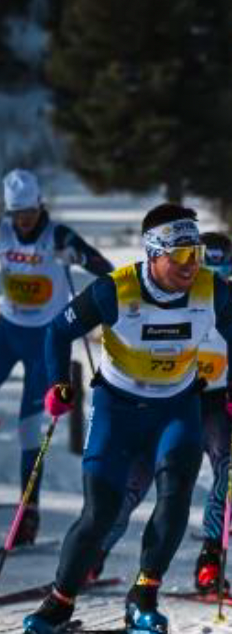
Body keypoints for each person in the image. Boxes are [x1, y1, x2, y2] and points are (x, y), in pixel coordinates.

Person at [23, 205, 232, 634]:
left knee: (175, 497)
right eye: (180, 255)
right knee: (100, 512)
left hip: (176, 408)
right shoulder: (115, 290)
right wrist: (58, 384)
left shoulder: (212, 290)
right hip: (117, 409)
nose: (191, 265)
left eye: (196, 253)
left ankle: (144, 596)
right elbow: (57, 332)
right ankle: (59, 601)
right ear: (153, 253)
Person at [94, 233, 232, 595]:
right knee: (136, 480)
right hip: (169, 398)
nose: (213, 278)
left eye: (222, 269)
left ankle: (210, 561)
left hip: (217, 402)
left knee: (226, 473)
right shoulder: (170, 292)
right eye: (206, 267)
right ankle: (94, 554)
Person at [0, 168, 112, 545]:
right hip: (6, 331)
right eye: (17, 214)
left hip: (44, 340)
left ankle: (28, 513)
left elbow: (105, 270)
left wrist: (77, 255)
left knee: (29, 426)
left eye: (29, 212)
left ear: (40, 205)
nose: (24, 220)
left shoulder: (58, 236)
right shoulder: (3, 233)